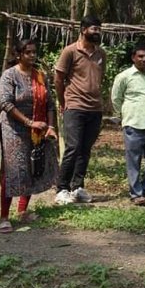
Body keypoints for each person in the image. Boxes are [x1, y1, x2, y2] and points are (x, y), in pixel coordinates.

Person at [0, 40, 59, 233]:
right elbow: (6, 104)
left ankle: (22, 210)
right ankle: (4, 217)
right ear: (19, 55)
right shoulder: (9, 76)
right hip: (13, 128)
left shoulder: (40, 76)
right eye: (28, 52)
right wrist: (28, 122)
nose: (32, 56)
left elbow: (49, 103)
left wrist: (50, 126)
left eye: (34, 52)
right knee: (13, 171)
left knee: (34, 167)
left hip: (37, 128)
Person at [54, 15, 106, 205]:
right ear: (83, 29)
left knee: (85, 149)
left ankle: (77, 187)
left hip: (95, 108)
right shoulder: (70, 51)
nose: (97, 32)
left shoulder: (101, 54)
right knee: (73, 148)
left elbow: (100, 78)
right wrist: (63, 102)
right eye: (94, 28)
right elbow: (58, 79)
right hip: (74, 106)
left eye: (99, 29)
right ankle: (62, 188)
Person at [111, 43, 145, 206]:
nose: (144, 59)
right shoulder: (124, 76)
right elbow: (116, 98)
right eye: (140, 56)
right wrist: (123, 116)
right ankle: (136, 193)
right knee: (133, 161)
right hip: (133, 125)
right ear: (133, 58)